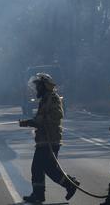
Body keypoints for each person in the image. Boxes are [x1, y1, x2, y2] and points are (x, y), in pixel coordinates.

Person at [19, 73, 78, 204]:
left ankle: (70, 184)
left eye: (38, 86)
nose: (36, 89)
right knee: (38, 168)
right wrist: (30, 122)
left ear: (45, 86)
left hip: (51, 140)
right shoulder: (44, 99)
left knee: (48, 168)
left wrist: (37, 122)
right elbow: (41, 118)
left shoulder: (53, 98)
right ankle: (38, 195)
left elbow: (57, 115)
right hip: (43, 140)